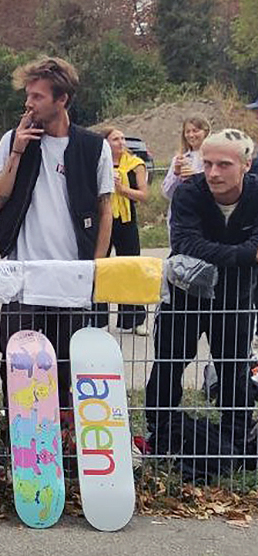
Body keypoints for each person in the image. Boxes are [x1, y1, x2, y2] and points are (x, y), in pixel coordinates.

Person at [0, 56, 113, 413]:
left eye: (38, 97)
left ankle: (61, 433)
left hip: (71, 276)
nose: (29, 104)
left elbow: (106, 210)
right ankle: (18, 433)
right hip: (22, 275)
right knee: (16, 362)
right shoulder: (15, 140)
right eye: (28, 95)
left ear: (63, 100)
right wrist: (17, 153)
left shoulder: (92, 147)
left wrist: (96, 268)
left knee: (64, 363)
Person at [145, 129, 258, 455]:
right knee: (168, 363)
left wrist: (229, 254)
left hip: (236, 298)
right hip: (184, 296)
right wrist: (246, 255)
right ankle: (160, 432)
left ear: (246, 165)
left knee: (234, 368)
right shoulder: (189, 193)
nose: (212, 173)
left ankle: (236, 440)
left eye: (224, 164)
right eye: (207, 163)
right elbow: (186, 244)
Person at [92, 127, 150, 335]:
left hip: (126, 219)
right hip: (103, 218)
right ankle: (97, 318)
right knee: (101, 267)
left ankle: (134, 318)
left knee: (130, 267)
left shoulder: (135, 164)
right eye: (116, 139)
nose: (121, 142)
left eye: (123, 138)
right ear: (105, 143)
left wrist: (122, 189)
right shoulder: (97, 162)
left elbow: (143, 195)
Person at [161, 116, 211, 203]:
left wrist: (195, 177)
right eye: (187, 132)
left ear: (205, 132)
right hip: (180, 212)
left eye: (195, 131)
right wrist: (176, 174)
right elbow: (167, 194)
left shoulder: (213, 158)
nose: (191, 135)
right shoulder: (179, 159)